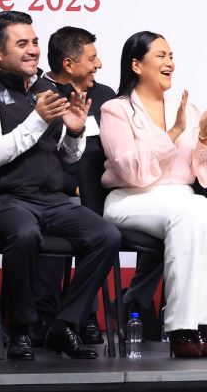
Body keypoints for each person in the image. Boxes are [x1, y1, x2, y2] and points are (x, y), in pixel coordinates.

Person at [0, 11, 121, 360]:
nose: (33, 50)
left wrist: (75, 131)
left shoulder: (47, 90)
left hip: (50, 198)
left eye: (33, 41)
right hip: (1, 199)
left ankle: (64, 323)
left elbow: (67, 158)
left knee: (106, 235)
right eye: (22, 44)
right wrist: (36, 120)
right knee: (25, 233)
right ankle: (20, 329)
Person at [99, 31, 207, 359]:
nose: (169, 63)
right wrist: (172, 133)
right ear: (136, 65)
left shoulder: (184, 107)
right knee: (186, 216)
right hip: (132, 197)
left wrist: (203, 134)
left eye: (171, 55)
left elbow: (204, 173)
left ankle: (200, 324)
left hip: (181, 196)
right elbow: (131, 169)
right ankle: (179, 328)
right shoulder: (115, 110)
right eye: (160, 55)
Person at [39, 26, 118, 345]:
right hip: (60, 193)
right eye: (92, 58)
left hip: (101, 190)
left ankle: (83, 315)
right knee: (69, 219)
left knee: (102, 224)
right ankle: (46, 316)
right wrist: (73, 188)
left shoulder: (105, 95)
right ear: (69, 64)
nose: (98, 64)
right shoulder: (41, 96)